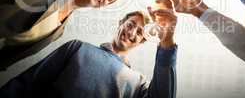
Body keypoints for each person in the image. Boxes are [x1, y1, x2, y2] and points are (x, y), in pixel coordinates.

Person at [0, 8, 178, 98]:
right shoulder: (77, 47)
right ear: (120, 23)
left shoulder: (138, 82)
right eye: (130, 25)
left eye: (139, 32)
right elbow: (29, 82)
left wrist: (167, 41)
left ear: (143, 40)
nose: (132, 33)